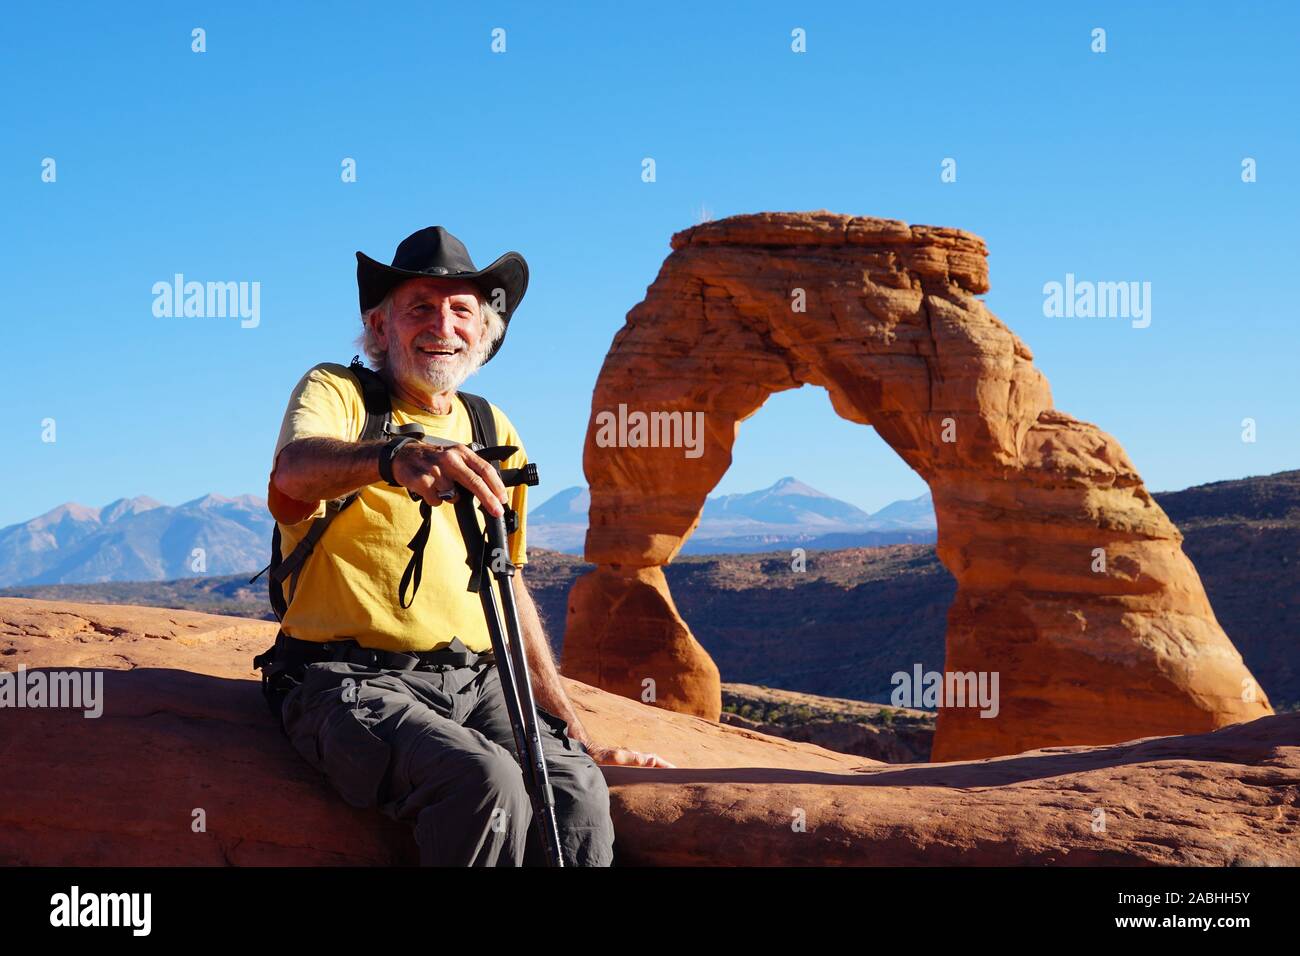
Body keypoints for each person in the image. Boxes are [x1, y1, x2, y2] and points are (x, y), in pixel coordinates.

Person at [260, 226, 672, 867]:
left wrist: (576, 737)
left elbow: (506, 586)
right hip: (346, 678)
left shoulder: (490, 426)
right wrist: (396, 455)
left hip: (476, 681)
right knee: (484, 783)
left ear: (485, 332)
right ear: (379, 325)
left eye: (461, 310)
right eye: (419, 307)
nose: (442, 325)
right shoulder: (340, 394)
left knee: (577, 792)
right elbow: (292, 475)